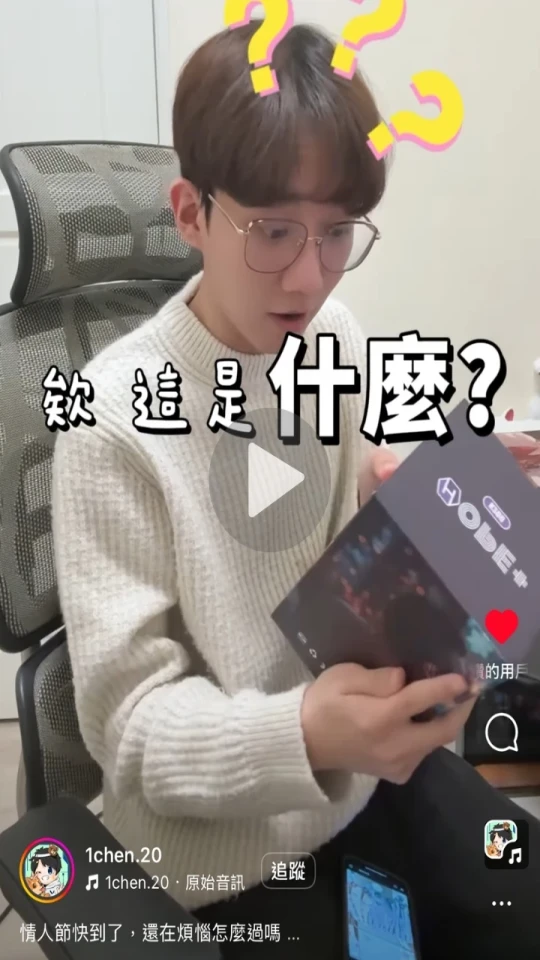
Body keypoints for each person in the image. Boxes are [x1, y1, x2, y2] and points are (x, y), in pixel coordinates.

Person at [51, 21, 540, 960]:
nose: (309, 276)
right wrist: (307, 731)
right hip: (217, 852)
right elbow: (133, 735)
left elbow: (340, 554)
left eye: (337, 233)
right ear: (190, 213)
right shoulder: (110, 419)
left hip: (365, 780)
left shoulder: (334, 337)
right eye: (273, 231)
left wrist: (433, 519)